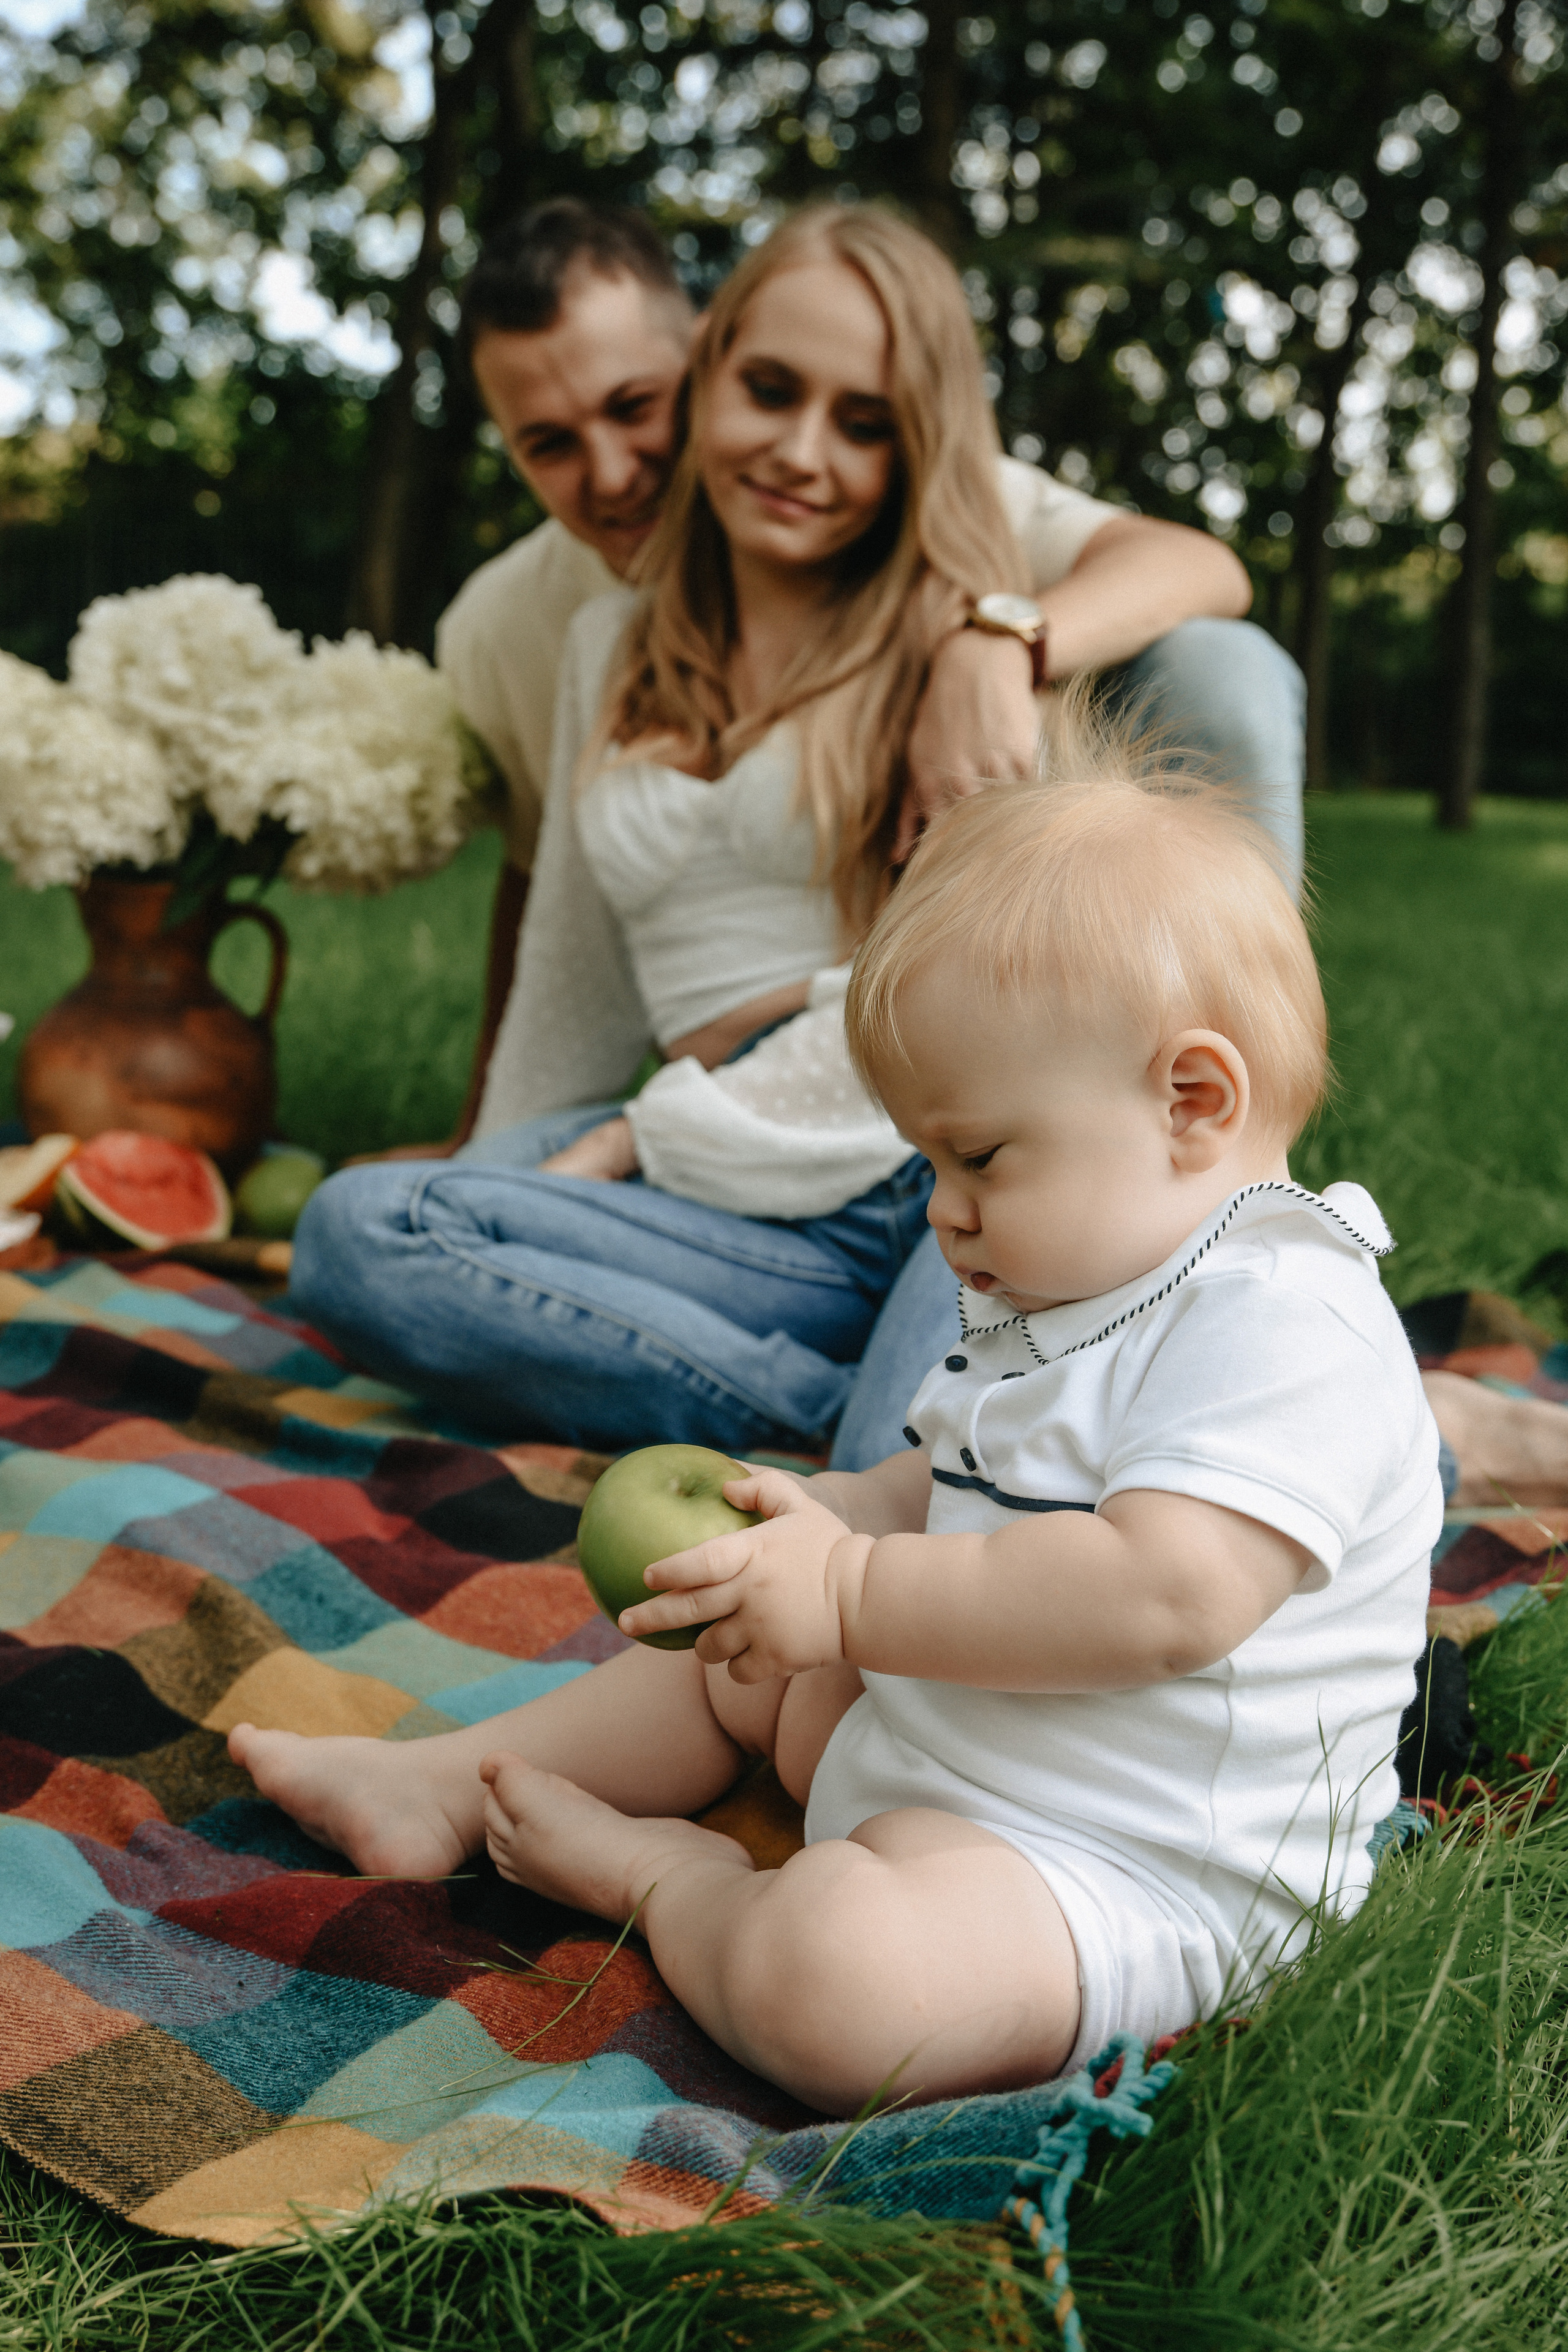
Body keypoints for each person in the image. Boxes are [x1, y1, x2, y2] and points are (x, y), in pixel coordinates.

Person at [234, 736, 1440, 2116]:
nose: (941, 1210)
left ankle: (668, 1879)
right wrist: (822, 1524)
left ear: (1191, 1103)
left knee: (840, 1982)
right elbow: (951, 1481)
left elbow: (1161, 1596)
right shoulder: (1079, 1282)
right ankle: (444, 1783)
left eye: (978, 1157)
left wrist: (853, 1592)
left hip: (1123, 1876)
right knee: (737, 1642)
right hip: (943, 1755)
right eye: (926, 1162)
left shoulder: (1286, 1321)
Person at [404, 194, 1296, 1159]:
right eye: (550, 444)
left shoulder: (893, 514)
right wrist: (486, 1148)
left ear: (705, 359)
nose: (614, 473)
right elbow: (550, 904)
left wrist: (993, 640)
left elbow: (1200, 566)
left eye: (635, 407)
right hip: (718, 1114)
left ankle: (1221, 1159)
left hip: (889, 1101)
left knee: (1222, 665)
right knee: (377, 1226)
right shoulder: (520, 627)